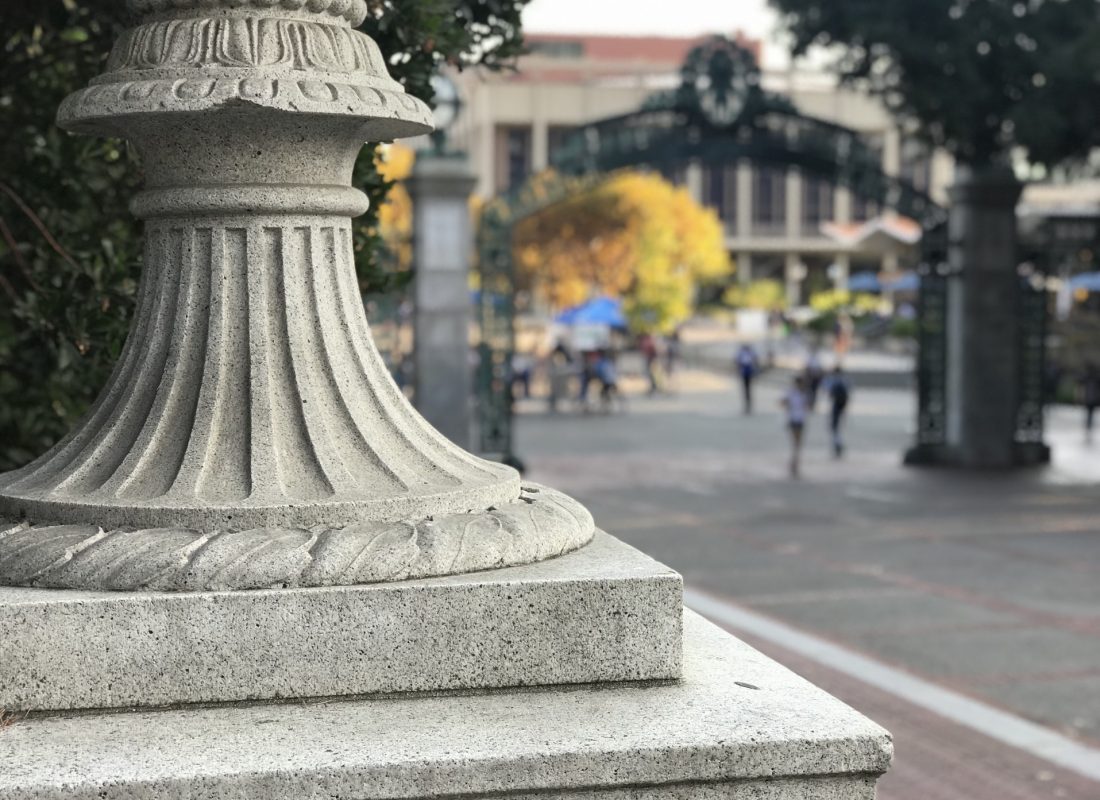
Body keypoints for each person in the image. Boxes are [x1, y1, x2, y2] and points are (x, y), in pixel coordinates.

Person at [781, 375, 809, 478]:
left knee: (797, 443)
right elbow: (783, 402)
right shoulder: (792, 393)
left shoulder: (802, 393)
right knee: (796, 443)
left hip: (800, 419)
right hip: (794, 419)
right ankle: (794, 461)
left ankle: (794, 461)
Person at [826, 366, 851, 458]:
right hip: (842, 405)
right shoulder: (845, 379)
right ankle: (838, 442)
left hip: (836, 404)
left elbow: (829, 391)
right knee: (838, 425)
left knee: (834, 426)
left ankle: (837, 443)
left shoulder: (833, 380)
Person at [734, 343, 758, 414]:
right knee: (746, 390)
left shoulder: (749, 353)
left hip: (748, 372)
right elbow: (737, 362)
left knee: (748, 390)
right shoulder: (743, 353)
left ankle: (748, 406)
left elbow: (755, 360)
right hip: (744, 373)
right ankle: (747, 406)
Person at [1081, 365, 1100, 441]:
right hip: (1090, 399)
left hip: (1090, 399)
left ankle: (1088, 425)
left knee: (1089, 413)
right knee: (1089, 413)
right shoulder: (1092, 379)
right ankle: (1088, 425)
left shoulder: (1091, 379)